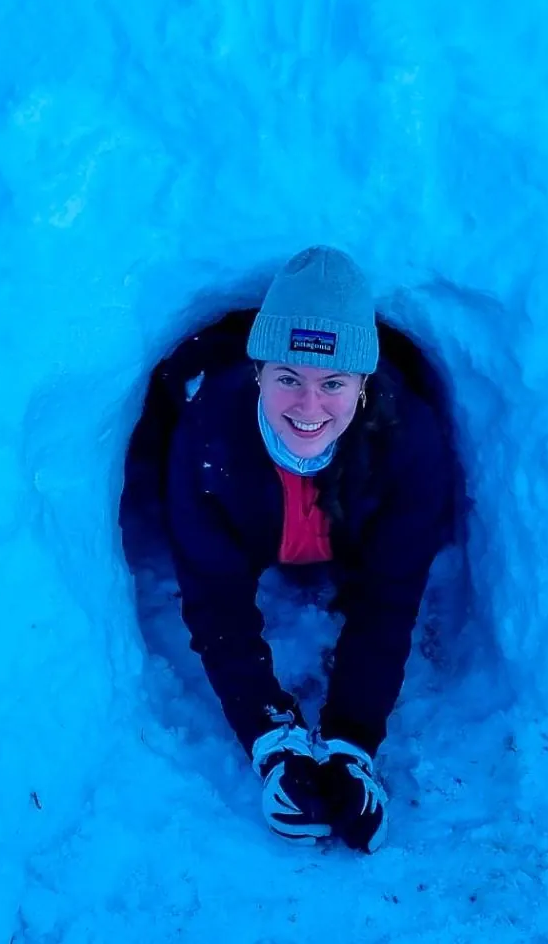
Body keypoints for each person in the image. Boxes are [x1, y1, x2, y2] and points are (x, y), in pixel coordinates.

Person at [163, 245, 457, 853]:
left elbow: (388, 599)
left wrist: (352, 740)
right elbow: (216, 602)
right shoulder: (208, 437)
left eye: (333, 383)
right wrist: (271, 740)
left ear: (363, 385)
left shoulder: (409, 446)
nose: (308, 406)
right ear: (259, 372)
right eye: (288, 378)